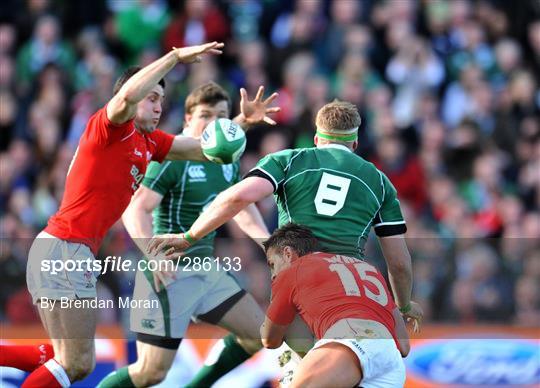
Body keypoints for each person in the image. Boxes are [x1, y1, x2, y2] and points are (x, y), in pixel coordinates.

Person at [1, 42, 226, 388]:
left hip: (62, 250)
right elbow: (124, 100)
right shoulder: (110, 127)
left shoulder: (149, 143)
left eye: (162, 101)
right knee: (76, 363)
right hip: (65, 250)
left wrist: (239, 126)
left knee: (68, 359)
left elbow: (203, 150)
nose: (158, 106)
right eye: (151, 98)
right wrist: (174, 57)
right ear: (132, 97)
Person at [148, 100, 423, 328]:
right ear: (354, 143)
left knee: (291, 363)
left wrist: (189, 236)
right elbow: (398, 262)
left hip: (300, 286)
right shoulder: (380, 181)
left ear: (317, 139)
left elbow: (238, 196)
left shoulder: (290, 160)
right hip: (354, 290)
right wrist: (404, 304)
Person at [98, 81, 280, 387]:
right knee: (149, 373)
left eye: (221, 116)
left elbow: (238, 205)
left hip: (205, 271)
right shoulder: (173, 159)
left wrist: (267, 243)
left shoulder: (226, 160)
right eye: (205, 116)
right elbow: (135, 209)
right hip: (167, 274)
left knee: (257, 334)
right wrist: (154, 256)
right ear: (188, 121)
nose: (214, 124)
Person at [261, 223, 411, 388]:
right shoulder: (369, 269)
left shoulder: (293, 271)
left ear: (287, 253)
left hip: (351, 339)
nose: (273, 275)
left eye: (272, 264)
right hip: (391, 361)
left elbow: (270, 340)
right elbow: (404, 347)